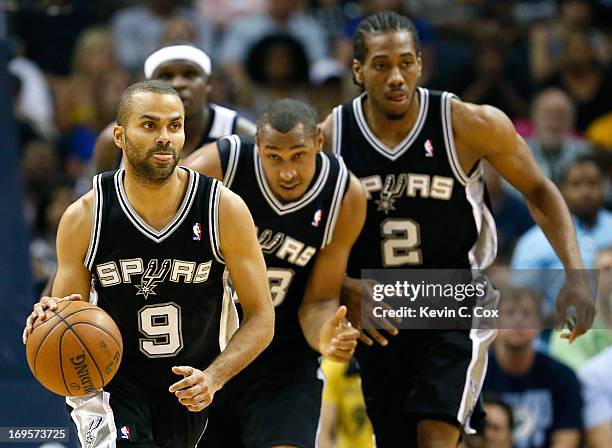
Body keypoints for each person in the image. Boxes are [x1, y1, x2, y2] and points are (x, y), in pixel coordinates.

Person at [319, 11, 594, 448]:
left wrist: (576, 273)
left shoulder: (466, 122)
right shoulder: (333, 137)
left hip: (454, 295)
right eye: (381, 65)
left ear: (421, 64)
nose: (396, 77)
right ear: (357, 70)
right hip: (378, 304)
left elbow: (541, 191)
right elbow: (304, 234)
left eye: (406, 63)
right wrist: (345, 285)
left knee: (436, 434)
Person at [22, 80, 275, 447]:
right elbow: (68, 315)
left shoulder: (222, 209)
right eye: (150, 125)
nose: (165, 137)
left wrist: (214, 377)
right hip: (113, 384)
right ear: (121, 136)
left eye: (175, 125)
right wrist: (49, 315)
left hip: (190, 385)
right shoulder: (85, 217)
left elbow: (262, 317)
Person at [185, 98, 365, 448]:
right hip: (205, 352)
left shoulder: (344, 195)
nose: (287, 172)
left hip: (283, 360)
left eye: (299, 155)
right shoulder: (218, 166)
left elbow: (319, 301)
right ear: (258, 149)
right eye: (274, 157)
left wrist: (326, 336)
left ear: (318, 144)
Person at [92, 43, 255, 174]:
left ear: (209, 83)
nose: (178, 84)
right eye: (166, 76)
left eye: (190, 75)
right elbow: (102, 206)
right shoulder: (114, 141)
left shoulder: (241, 134)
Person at [484, 288, 583, 448]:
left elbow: (567, 438)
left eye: (527, 314)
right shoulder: (475, 376)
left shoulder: (563, 376)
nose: (518, 320)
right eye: (509, 313)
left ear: (539, 324)